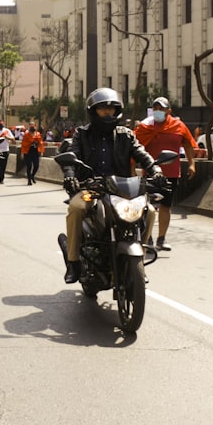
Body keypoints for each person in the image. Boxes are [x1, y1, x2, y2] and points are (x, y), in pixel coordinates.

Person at [60, 88, 164, 284]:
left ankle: (138, 259)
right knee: (76, 208)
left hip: (121, 190)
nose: (108, 113)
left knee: (149, 211)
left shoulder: (126, 135)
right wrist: (70, 176)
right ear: (93, 111)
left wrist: (156, 171)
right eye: (103, 109)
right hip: (91, 188)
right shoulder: (82, 135)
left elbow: (142, 154)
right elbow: (71, 158)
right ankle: (73, 262)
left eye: (111, 109)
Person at [134, 96, 197, 250]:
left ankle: (161, 239)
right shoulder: (145, 127)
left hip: (171, 173)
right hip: (150, 173)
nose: (158, 111)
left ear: (169, 111)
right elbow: (133, 148)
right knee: (147, 207)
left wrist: (191, 164)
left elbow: (188, 145)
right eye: (155, 108)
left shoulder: (179, 126)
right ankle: (146, 237)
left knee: (166, 206)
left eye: (161, 109)